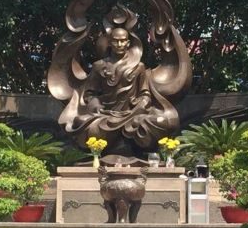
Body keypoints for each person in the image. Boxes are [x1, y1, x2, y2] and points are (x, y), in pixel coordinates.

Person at [59, 27, 177, 156]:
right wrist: (96, 104)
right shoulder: (99, 66)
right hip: (106, 115)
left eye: (123, 41)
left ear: (128, 43)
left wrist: (142, 102)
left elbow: (145, 93)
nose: (119, 44)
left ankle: (126, 142)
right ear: (109, 42)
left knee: (160, 121)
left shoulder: (139, 67)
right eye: (116, 41)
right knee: (80, 122)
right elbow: (89, 94)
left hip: (132, 115)